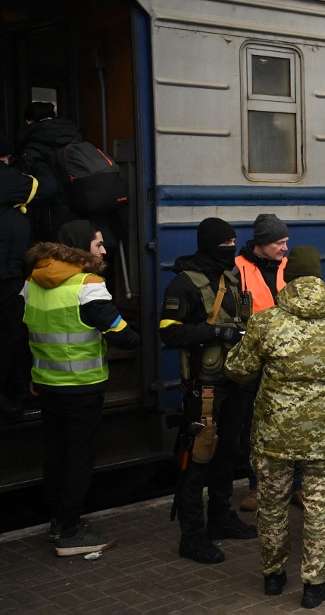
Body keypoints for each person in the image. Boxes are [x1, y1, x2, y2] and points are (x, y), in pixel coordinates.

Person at [225, 246, 325, 609]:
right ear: (319, 276)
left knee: (271, 505)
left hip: (274, 435)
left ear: (288, 277)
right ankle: (315, 584)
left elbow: (238, 370)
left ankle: (273, 576)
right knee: (319, 508)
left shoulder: (266, 321)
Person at [22, 236, 138, 556]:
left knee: (56, 454)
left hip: (47, 382)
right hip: (82, 386)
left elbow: (26, 332)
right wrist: (133, 336)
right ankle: (70, 531)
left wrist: (31, 374)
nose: (103, 250)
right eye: (97, 243)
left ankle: (58, 522)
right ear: (76, 246)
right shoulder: (89, 284)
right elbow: (123, 336)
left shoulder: (32, 282)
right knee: (78, 458)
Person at [159, 217, 256, 564]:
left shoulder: (230, 277)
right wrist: (217, 334)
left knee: (228, 453)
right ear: (210, 245)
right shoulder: (184, 284)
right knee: (199, 457)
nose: (231, 250)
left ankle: (220, 517)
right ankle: (192, 536)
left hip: (236, 383)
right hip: (206, 387)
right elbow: (169, 331)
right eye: (224, 245)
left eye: (233, 244)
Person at [234, 213, 293, 514]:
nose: (285, 247)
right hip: (256, 360)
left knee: (289, 424)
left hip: (287, 360)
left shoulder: (288, 266)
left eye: (285, 241)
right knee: (255, 427)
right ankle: (257, 487)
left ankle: (294, 487)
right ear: (262, 243)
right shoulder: (237, 269)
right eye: (279, 243)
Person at [0, 131, 55, 423]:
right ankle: (9, 394)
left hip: (7, 269)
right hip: (6, 273)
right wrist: (39, 164)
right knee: (10, 332)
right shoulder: (7, 177)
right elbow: (46, 188)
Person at [15, 101, 82, 242]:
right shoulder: (74, 138)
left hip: (51, 211)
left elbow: (21, 183)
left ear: (28, 121)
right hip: (81, 203)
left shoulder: (33, 148)